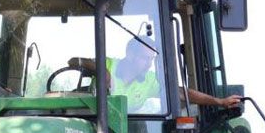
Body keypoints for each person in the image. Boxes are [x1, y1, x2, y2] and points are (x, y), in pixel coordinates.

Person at [68, 38, 241, 111]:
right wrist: (98, 69)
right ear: (130, 53)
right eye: (145, 58)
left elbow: (181, 93)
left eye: (151, 59)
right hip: (96, 129)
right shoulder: (108, 64)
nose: (149, 64)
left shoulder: (149, 81)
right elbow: (73, 61)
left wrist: (218, 101)